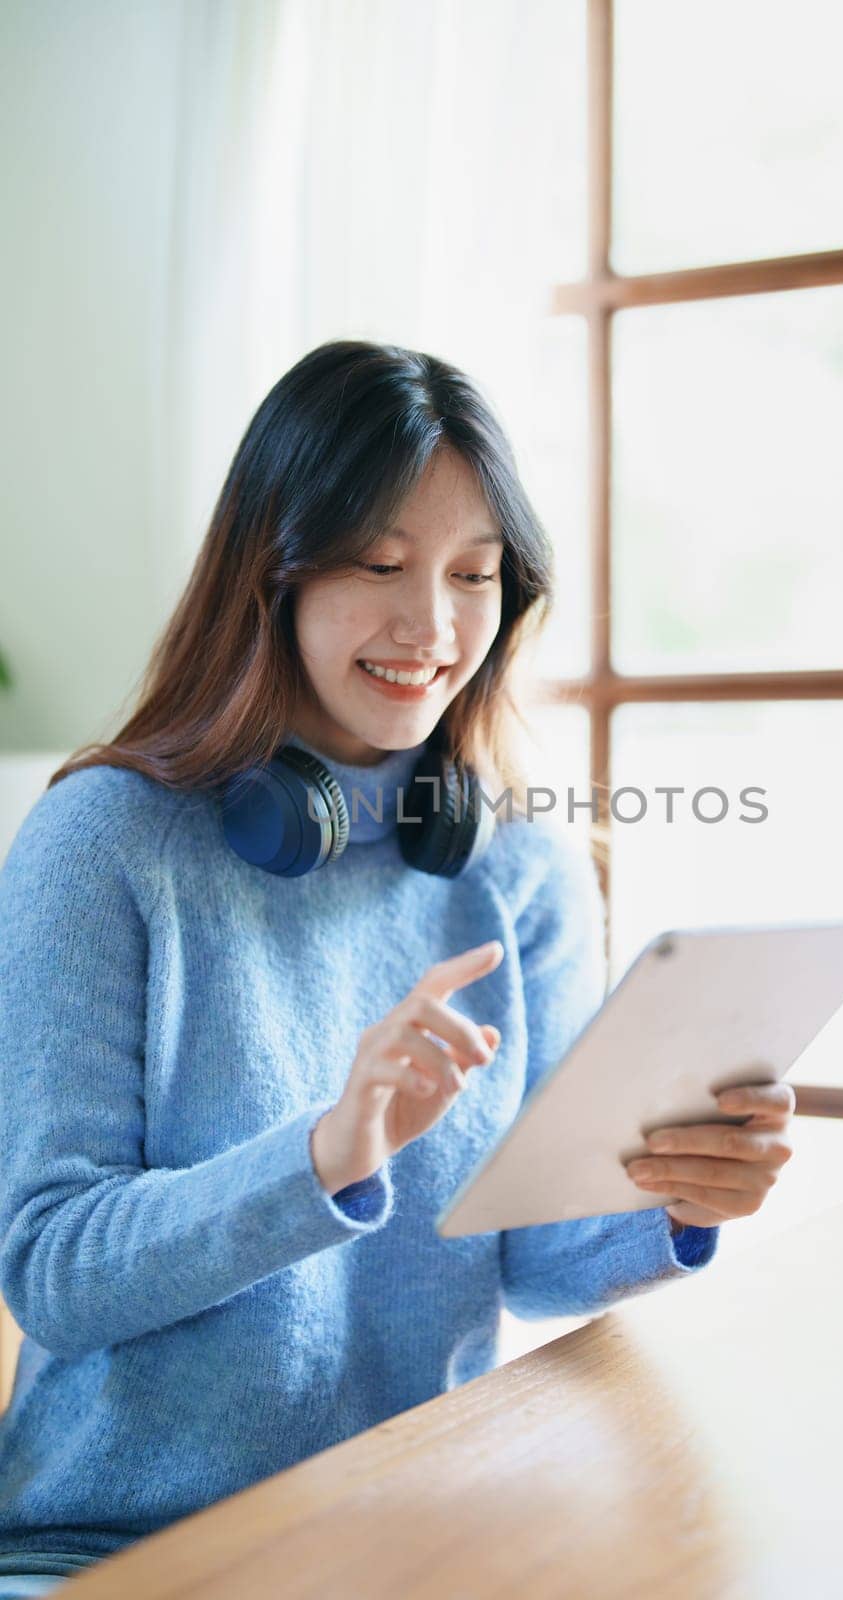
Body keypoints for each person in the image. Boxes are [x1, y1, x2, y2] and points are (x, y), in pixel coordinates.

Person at [0, 340, 790, 1592]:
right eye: (381, 564)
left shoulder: (517, 862)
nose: (432, 627)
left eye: (473, 576)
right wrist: (324, 1154)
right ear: (274, 570)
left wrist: (676, 1200)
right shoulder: (101, 844)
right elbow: (55, 1271)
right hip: (120, 1546)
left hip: (417, 1539)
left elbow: (529, 1255)